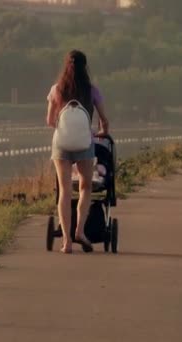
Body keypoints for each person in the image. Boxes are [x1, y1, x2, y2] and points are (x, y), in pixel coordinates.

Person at [46, 50, 109, 254]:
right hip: (85, 144)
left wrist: (64, 128)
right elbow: (104, 120)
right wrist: (101, 132)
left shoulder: (57, 90)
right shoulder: (92, 90)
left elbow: (49, 121)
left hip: (61, 144)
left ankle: (66, 242)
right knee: (85, 187)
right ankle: (80, 231)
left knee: (64, 190)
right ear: (85, 68)